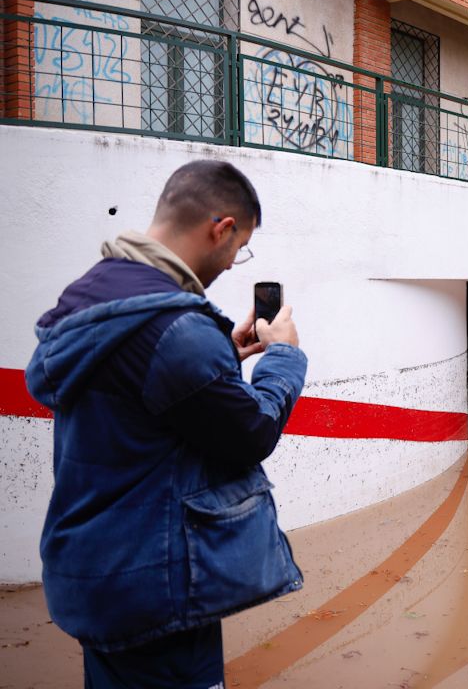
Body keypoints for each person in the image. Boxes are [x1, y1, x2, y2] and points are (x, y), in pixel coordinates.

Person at [25, 159, 308, 688]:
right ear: (220, 228)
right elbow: (252, 433)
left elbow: (137, 402)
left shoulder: (92, 297)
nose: (231, 262)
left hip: (97, 576)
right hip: (157, 585)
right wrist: (284, 358)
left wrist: (220, 355)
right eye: (238, 247)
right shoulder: (175, 330)